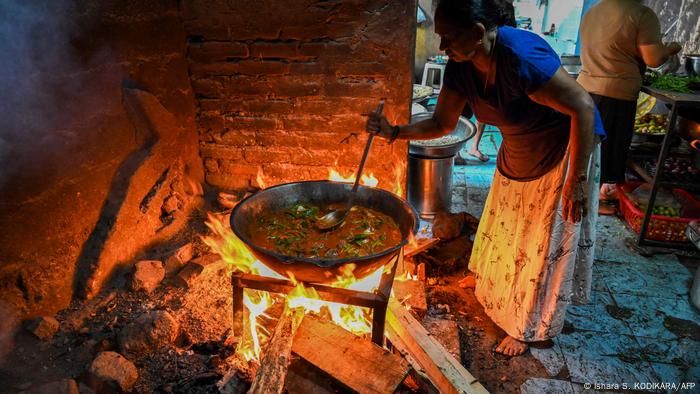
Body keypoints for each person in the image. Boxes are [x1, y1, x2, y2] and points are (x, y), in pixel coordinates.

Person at [366, 0, 605, 356]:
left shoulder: (522, 56)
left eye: (448, 38)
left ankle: (528, 326)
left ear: (478, 33)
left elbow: (583, 108)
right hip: (519, 144)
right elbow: (441, 123)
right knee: (506, 225)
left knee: (540, 240)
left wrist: (578, 181)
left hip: (565, 150)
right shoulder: (462, 65)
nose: (443, 47)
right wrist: (394, 132)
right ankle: (494, 286)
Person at [577, 0, 681, 214]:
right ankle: (595, 202)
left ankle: (593, 196)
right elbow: (653, 59)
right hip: (615, 92)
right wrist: (672, 48)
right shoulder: (641, 14)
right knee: (607, 150)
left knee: (591, 148)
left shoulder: (593, 10)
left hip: (585, 89)